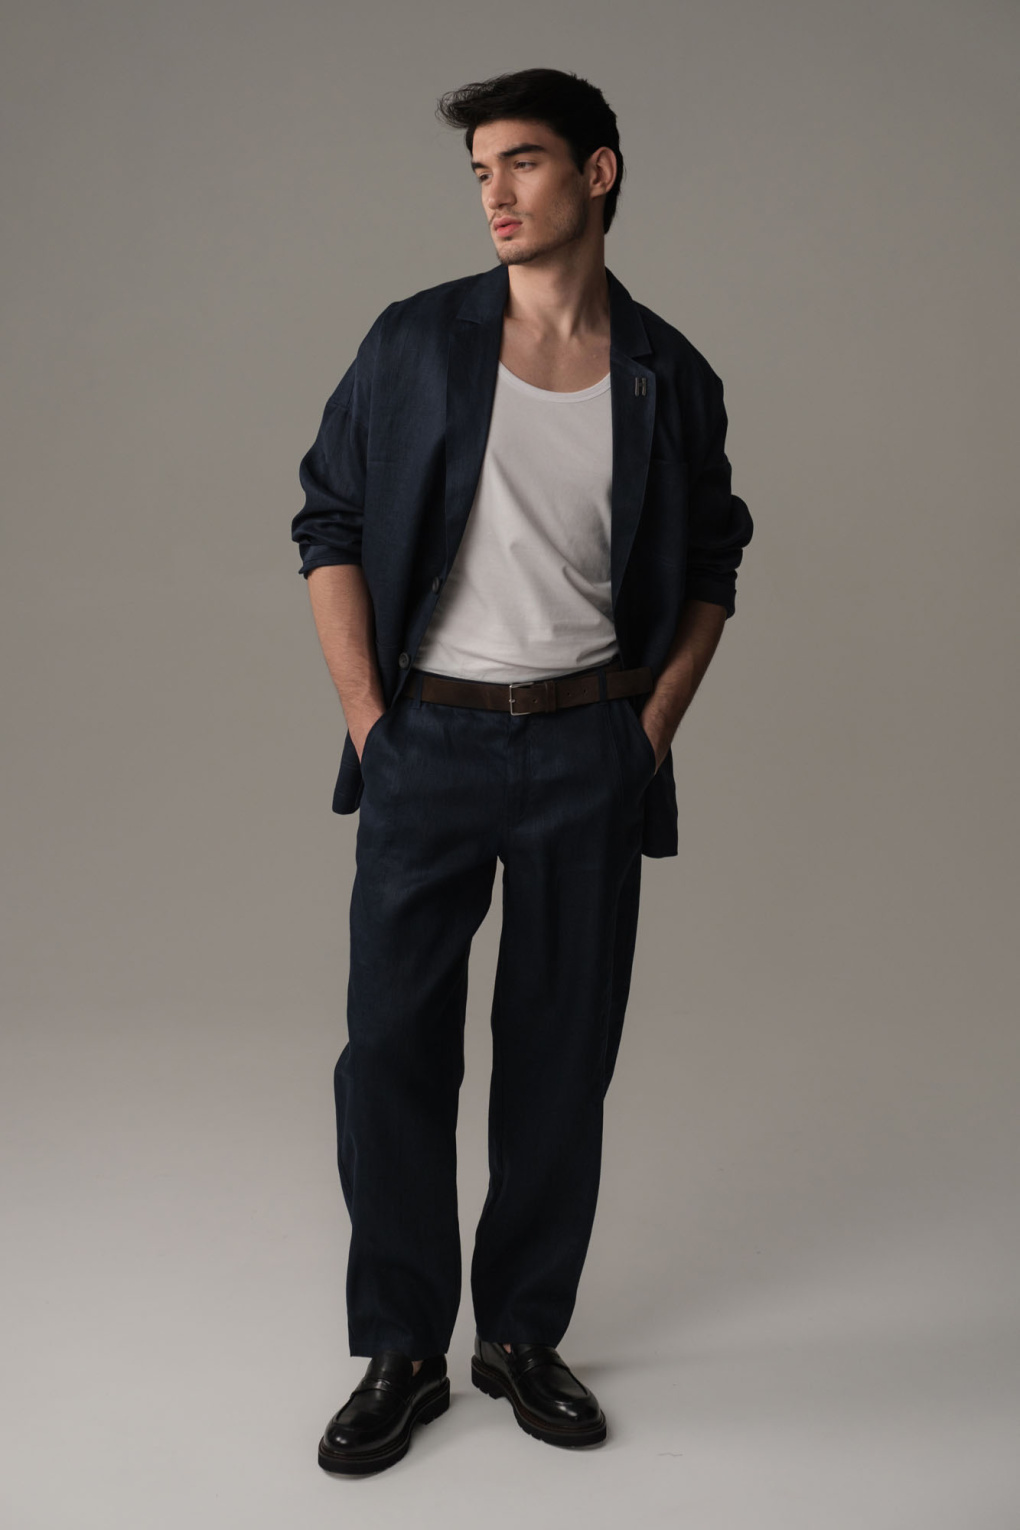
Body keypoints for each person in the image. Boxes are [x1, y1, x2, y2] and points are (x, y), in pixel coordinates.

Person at [291, 67, 752, 1475]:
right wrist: (371, 721)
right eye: (480, 169)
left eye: (525, 162)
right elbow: (328, 518)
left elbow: (715, 561)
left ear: (597, 173)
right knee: (390, 1051)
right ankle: (402, 1347)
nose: (494, 192)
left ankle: (522, 1335)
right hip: (426, 740)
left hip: (583, 748)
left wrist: (646, 731)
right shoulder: (416, 342)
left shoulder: (670, 373)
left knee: (561, 1056)